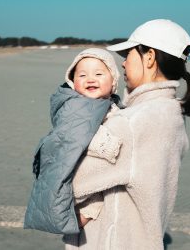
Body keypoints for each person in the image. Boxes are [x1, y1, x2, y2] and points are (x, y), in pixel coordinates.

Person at [64, 19, 190, 249]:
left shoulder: (132, 123)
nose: (122, 64)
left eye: (128, 54)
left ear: (149, 57)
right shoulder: (172, 113)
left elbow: (67, 186)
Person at [24, 48, 123, 234]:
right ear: (72, 82)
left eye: (99, 74)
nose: (90, 79)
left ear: (113, 81)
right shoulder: (76, 106)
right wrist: (109, 144)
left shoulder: (107, 105)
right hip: (75, 175)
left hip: (91, 175)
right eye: (82, 75)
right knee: (80, 204)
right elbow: (75, 136)